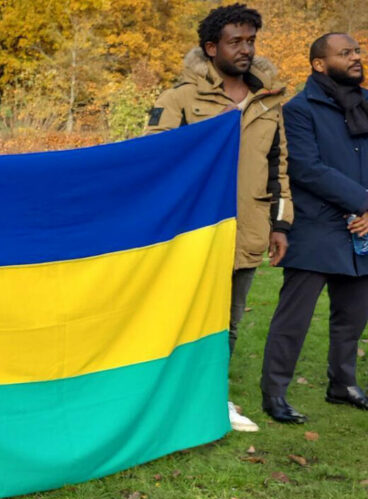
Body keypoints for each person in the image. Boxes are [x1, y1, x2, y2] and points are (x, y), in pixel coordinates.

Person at [145, 3, 293, 433]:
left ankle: (212, 398)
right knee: (182, 317)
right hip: (192, 232)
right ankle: (165, 400)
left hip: (247, 227)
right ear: (211, 48)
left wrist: (280, 225)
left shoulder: (269, 100)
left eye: (251, 41)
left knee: (229, 322)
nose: (246, 49)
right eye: (235, 42)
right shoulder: (179, 98)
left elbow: (279, 166)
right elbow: (153, 160)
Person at [260, 33, 368, 422]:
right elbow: (306, 167)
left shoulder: (366, 102)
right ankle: (274, 393)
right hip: (315, 227)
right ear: (319, 64)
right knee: (294, 318)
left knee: (353, 315)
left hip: (361, 229)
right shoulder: (299, 109)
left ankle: (343, 384)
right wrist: (363, 201)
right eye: (345, 53)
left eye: (357, 51)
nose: (355, 57)